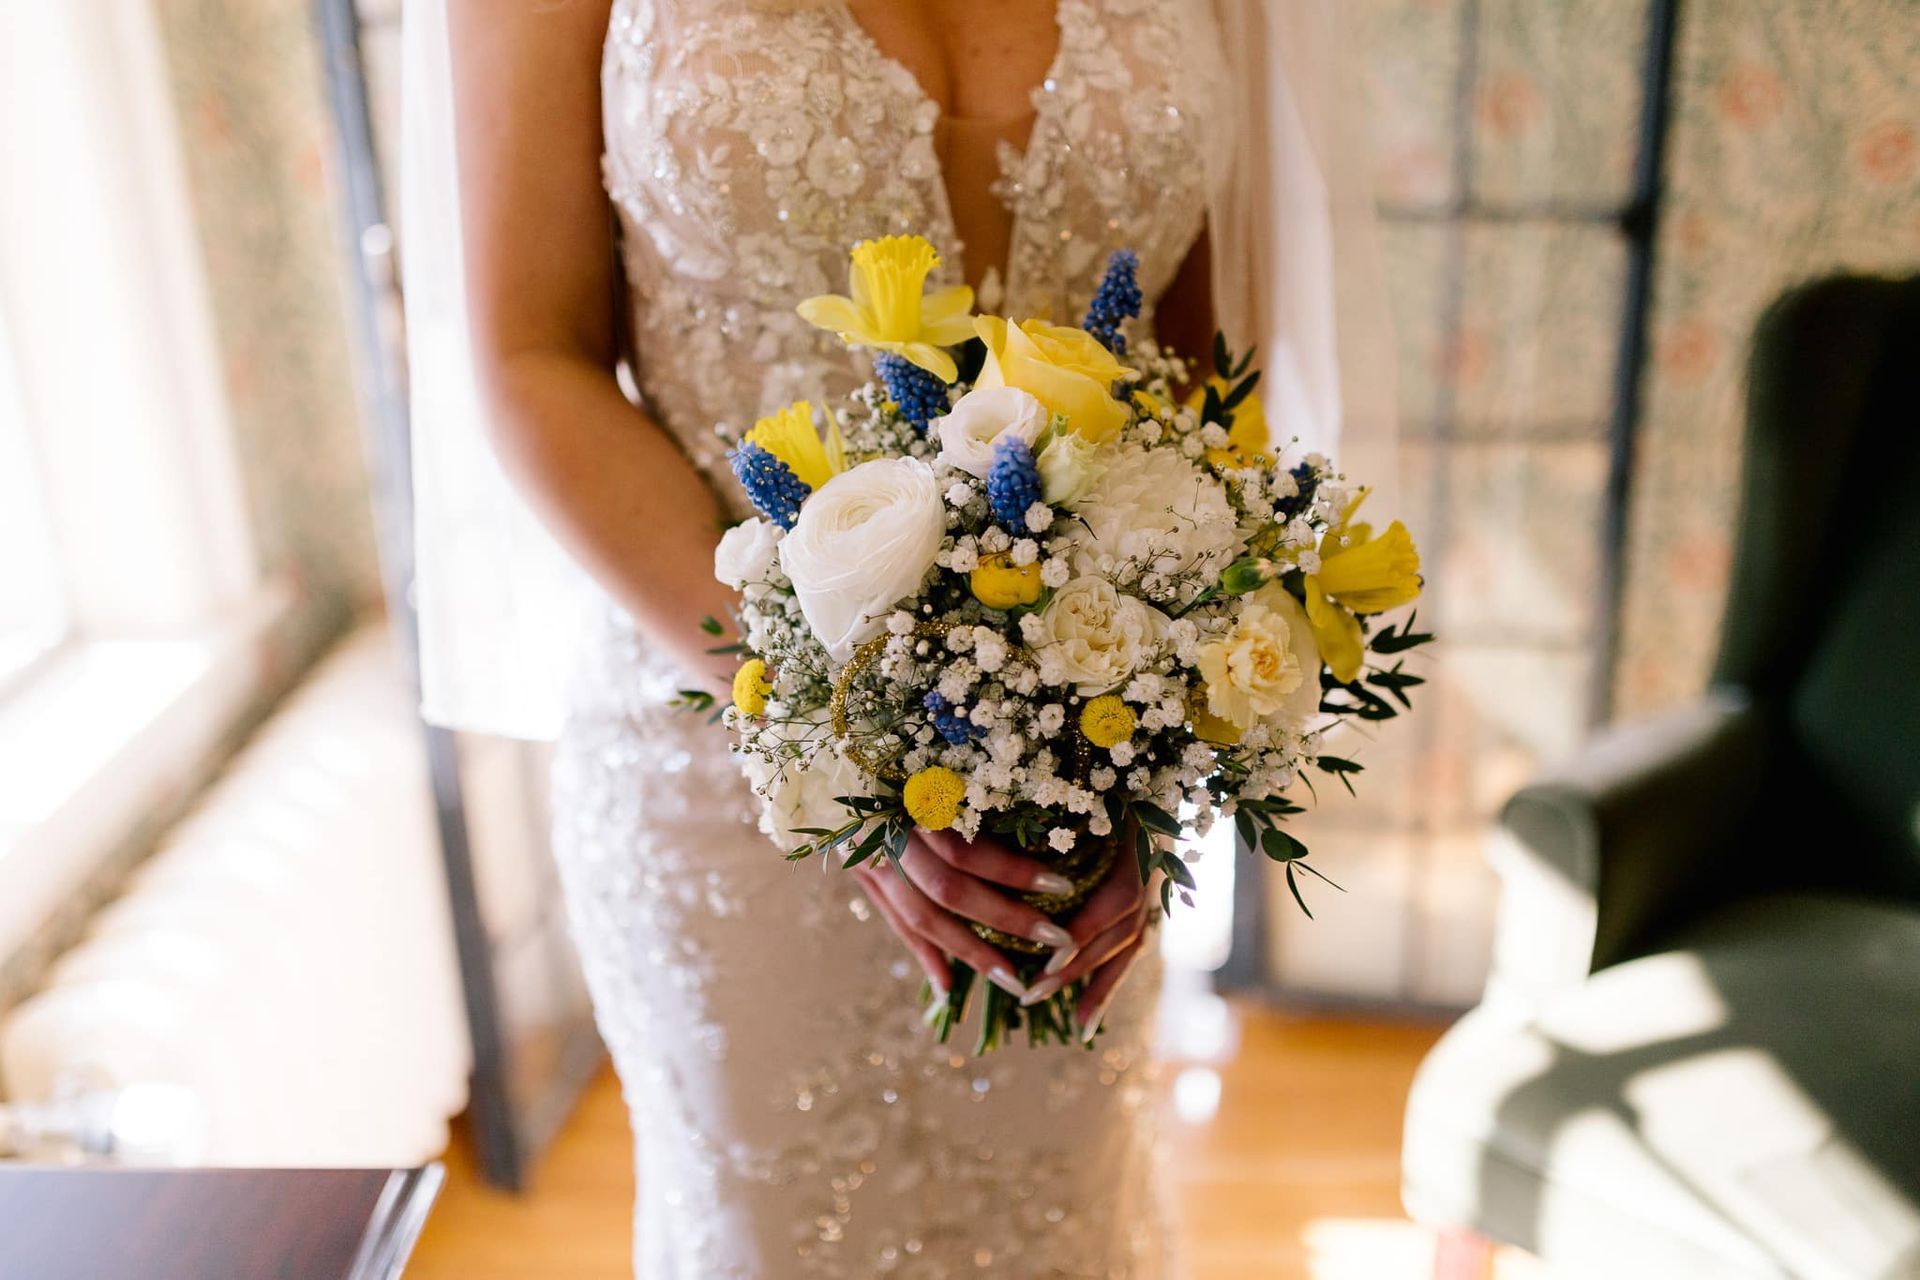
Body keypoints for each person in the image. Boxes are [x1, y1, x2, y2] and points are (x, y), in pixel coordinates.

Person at [405, 1, 1388, 1273]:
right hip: (720, 751)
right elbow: (533, 353)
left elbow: (1184, 352)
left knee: (1058, 1220)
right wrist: (831, 748)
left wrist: (1156, 728)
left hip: (1074, 775)